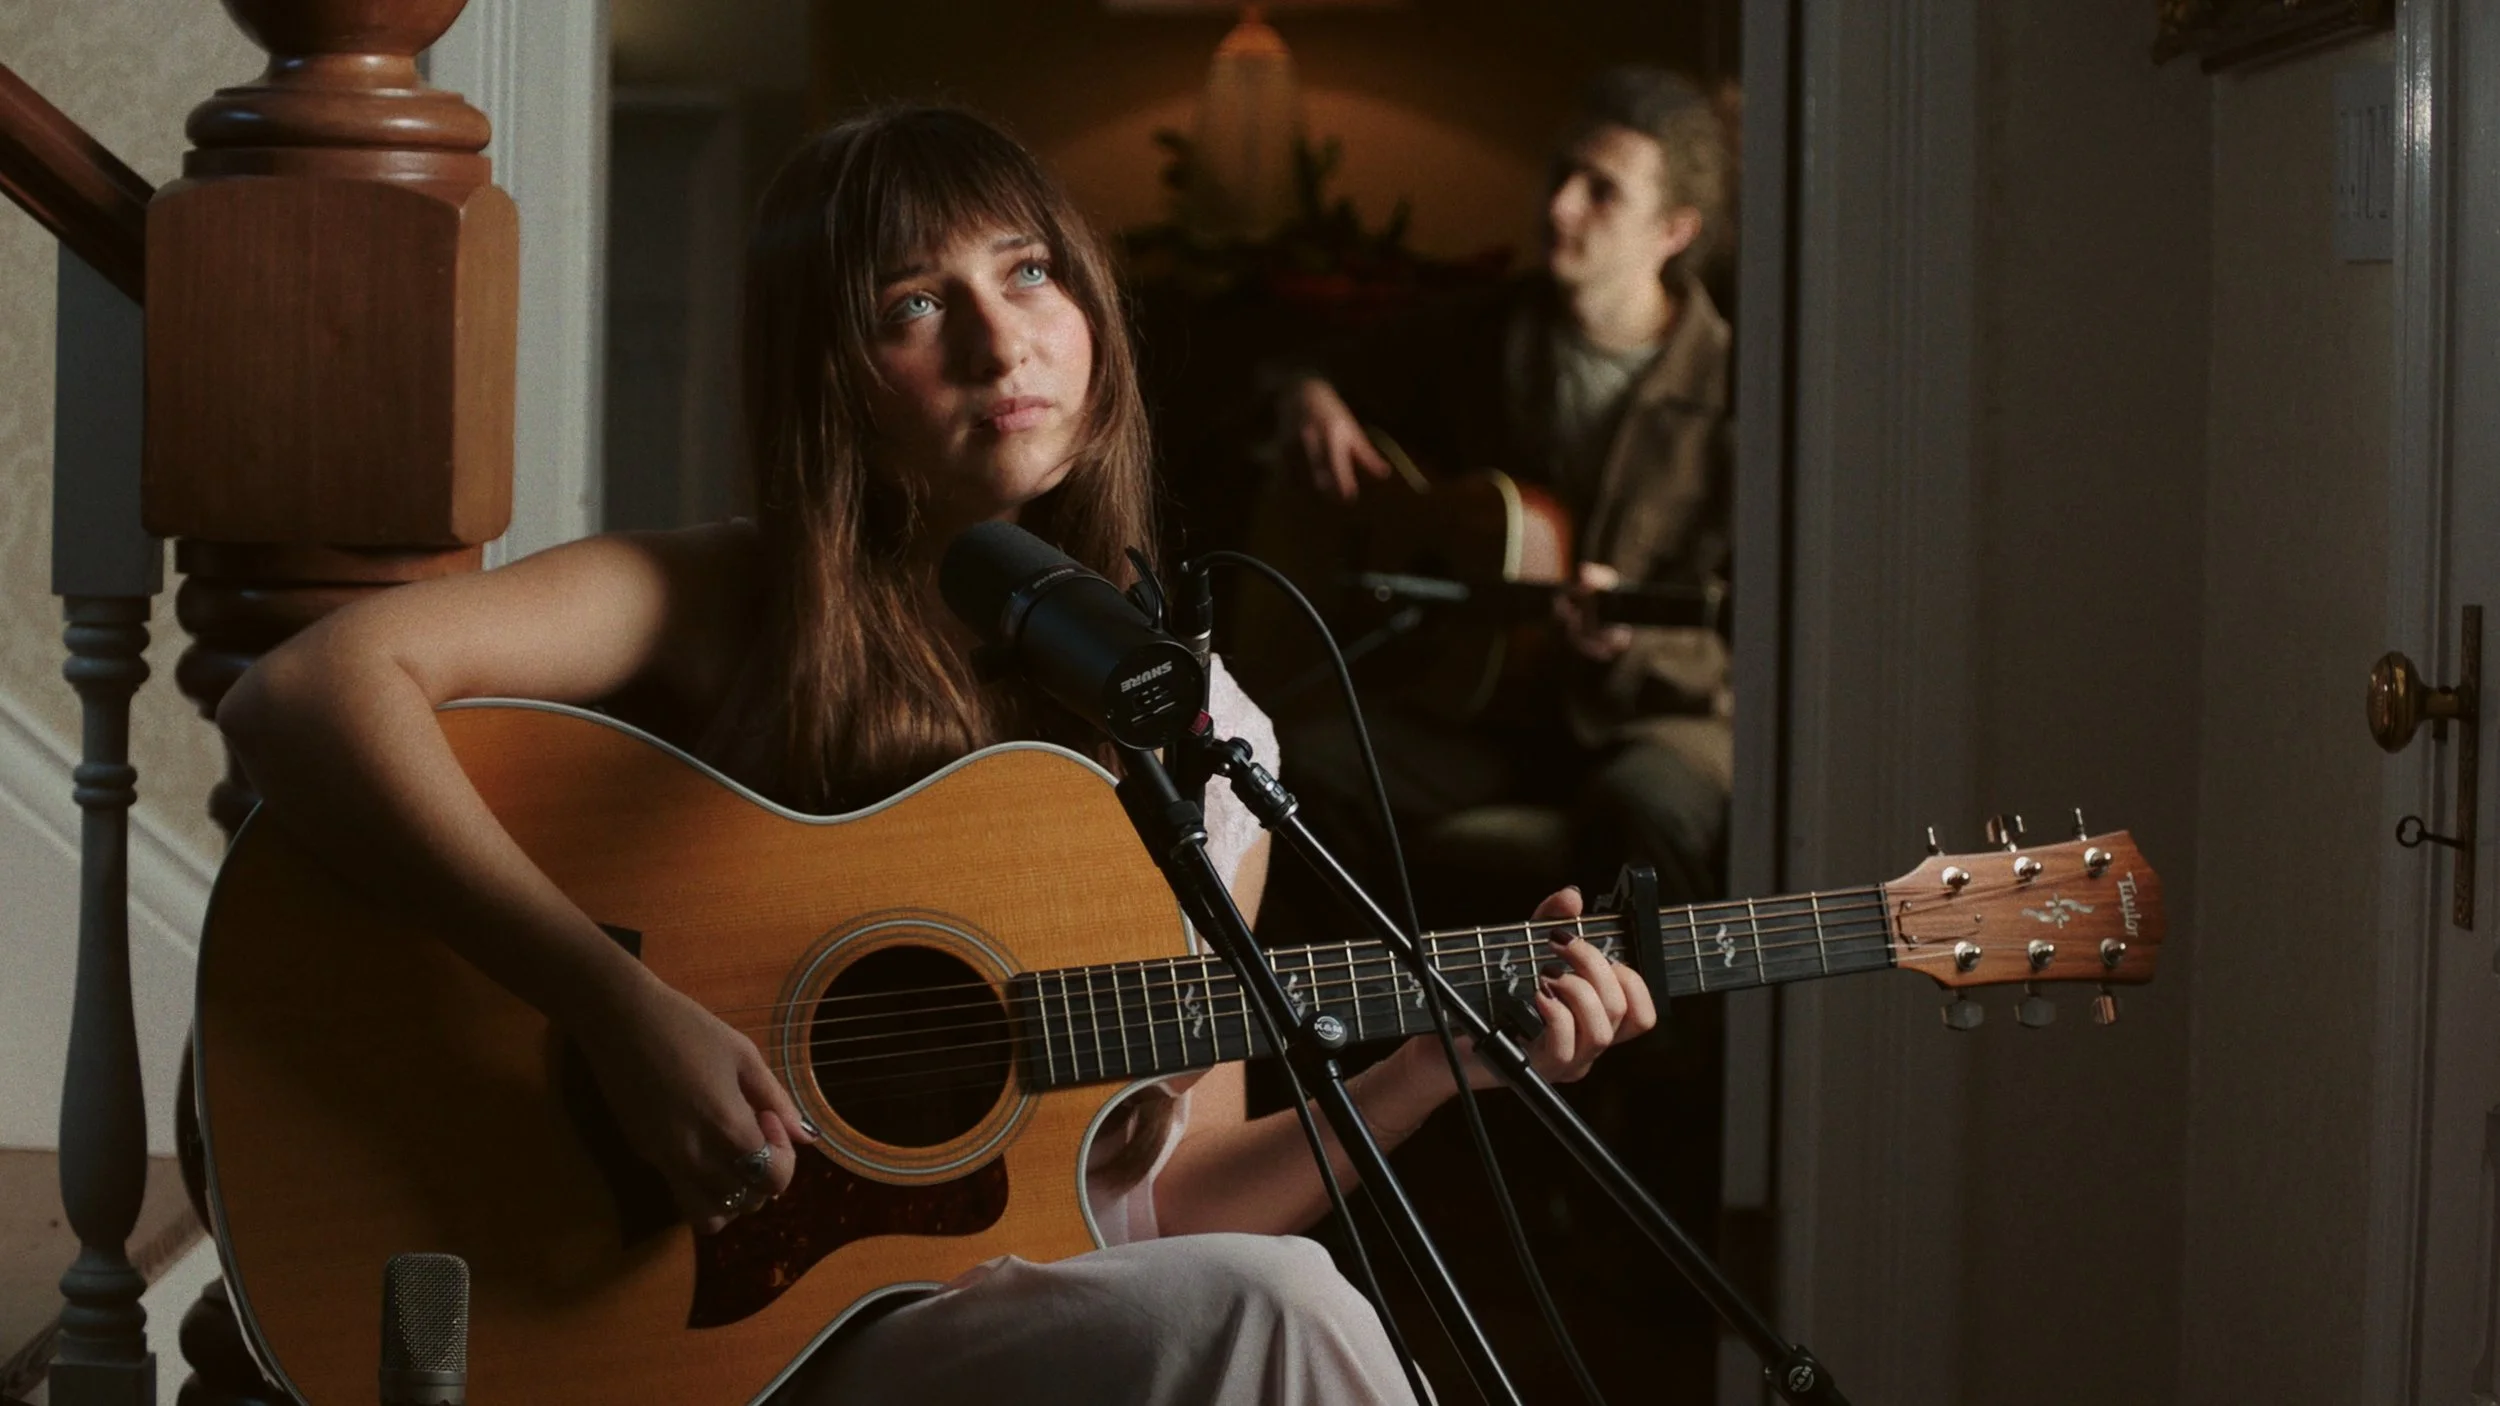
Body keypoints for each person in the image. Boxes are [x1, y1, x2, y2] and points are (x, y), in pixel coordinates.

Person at [214, 106, 1655, 1405]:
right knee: (1282, 1308)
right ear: (831, 377)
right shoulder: (732, 599)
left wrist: (1418, 1075)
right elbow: (305, 693)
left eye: (1030, 271)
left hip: (961, 1331)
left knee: (1269, 1300)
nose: (999, 337)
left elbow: (1163, 1216)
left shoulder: (1208, 734)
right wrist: (608, 1004)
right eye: (916, 302)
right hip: (688, 1332)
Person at [1272, 66, 1735, 917]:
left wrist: (1634, 640)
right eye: (1562, 174)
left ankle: (1657, 1049)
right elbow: (1321, 365)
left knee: (1645, 810)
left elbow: (1760, 624)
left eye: (1602, 192)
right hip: (1490, 713)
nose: (1559, 207)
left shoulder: (1738, 384)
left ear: (1675, 229)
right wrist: (1313, 395)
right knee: (1296, 769)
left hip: (1656, 718)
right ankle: (1369, 1027)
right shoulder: (1487, 332)